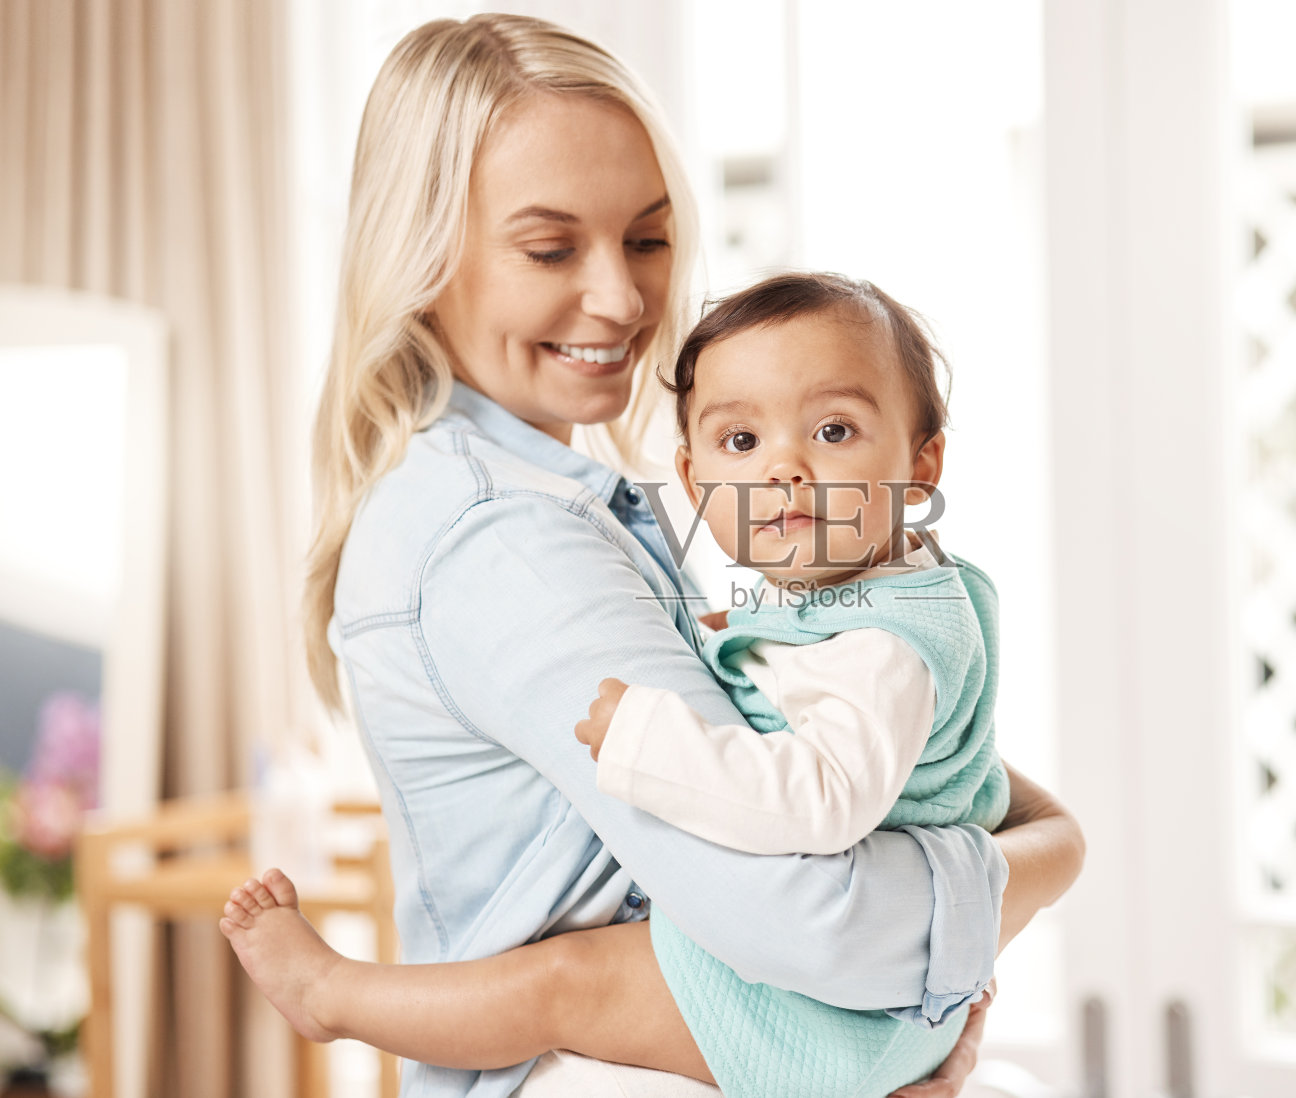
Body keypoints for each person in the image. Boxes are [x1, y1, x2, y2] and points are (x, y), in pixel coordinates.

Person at [223, 14, 1085, 1097]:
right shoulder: (504, 541)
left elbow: (863, 762)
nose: (624, 299)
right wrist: (1041, 857)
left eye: (645, 237)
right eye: (550, 248)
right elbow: (810, 915)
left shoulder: (552, 502)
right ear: (422, 252)